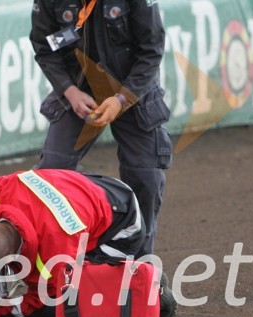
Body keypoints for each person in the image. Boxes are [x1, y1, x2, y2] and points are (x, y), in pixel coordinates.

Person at [0, 168, 175, 317]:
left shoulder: (56, 252)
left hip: (122, 223)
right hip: (89, 187)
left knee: (62, 310)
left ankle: (151, 287)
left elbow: (35, 301)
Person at [30, 0, 171, 257]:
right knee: (50, 176)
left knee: (146, 180)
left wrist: (121, 100)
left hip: (132, 92)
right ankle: (56, 261)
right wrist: (69, 91)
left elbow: (151, 51)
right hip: (79, 91)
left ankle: (141, 267)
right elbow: (44, 45)